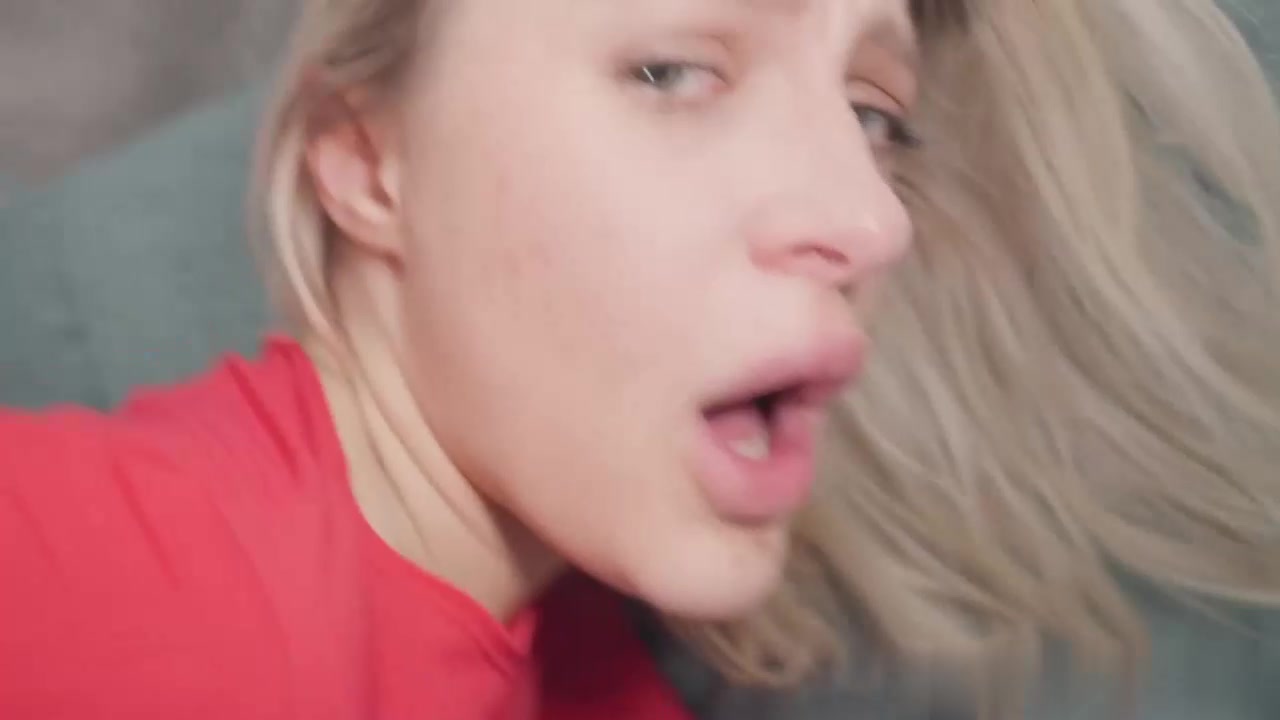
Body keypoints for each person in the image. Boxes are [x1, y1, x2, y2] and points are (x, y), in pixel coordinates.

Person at [2, 0, 1278, 718]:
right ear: (370, 162)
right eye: (672, 73)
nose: (868, 216)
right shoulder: (79, 571)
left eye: (872, 115)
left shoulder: (601, 674)